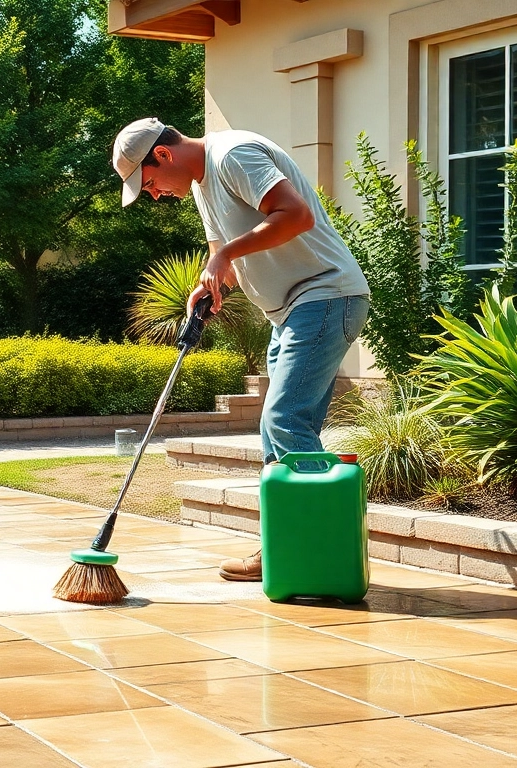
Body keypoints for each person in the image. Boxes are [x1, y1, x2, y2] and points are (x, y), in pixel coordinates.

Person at [112, 118, 370, 582]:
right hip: (293, 310)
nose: (152, 195)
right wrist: (212, 290)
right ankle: (286, 546)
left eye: (147, 183)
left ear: (163, 154)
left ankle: (315, 550)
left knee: (284, 420)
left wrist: (225, 255)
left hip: (326, 295)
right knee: (278, 435)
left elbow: (296, 216)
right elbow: (226, 261)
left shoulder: (233, 154)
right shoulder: (199, 184)